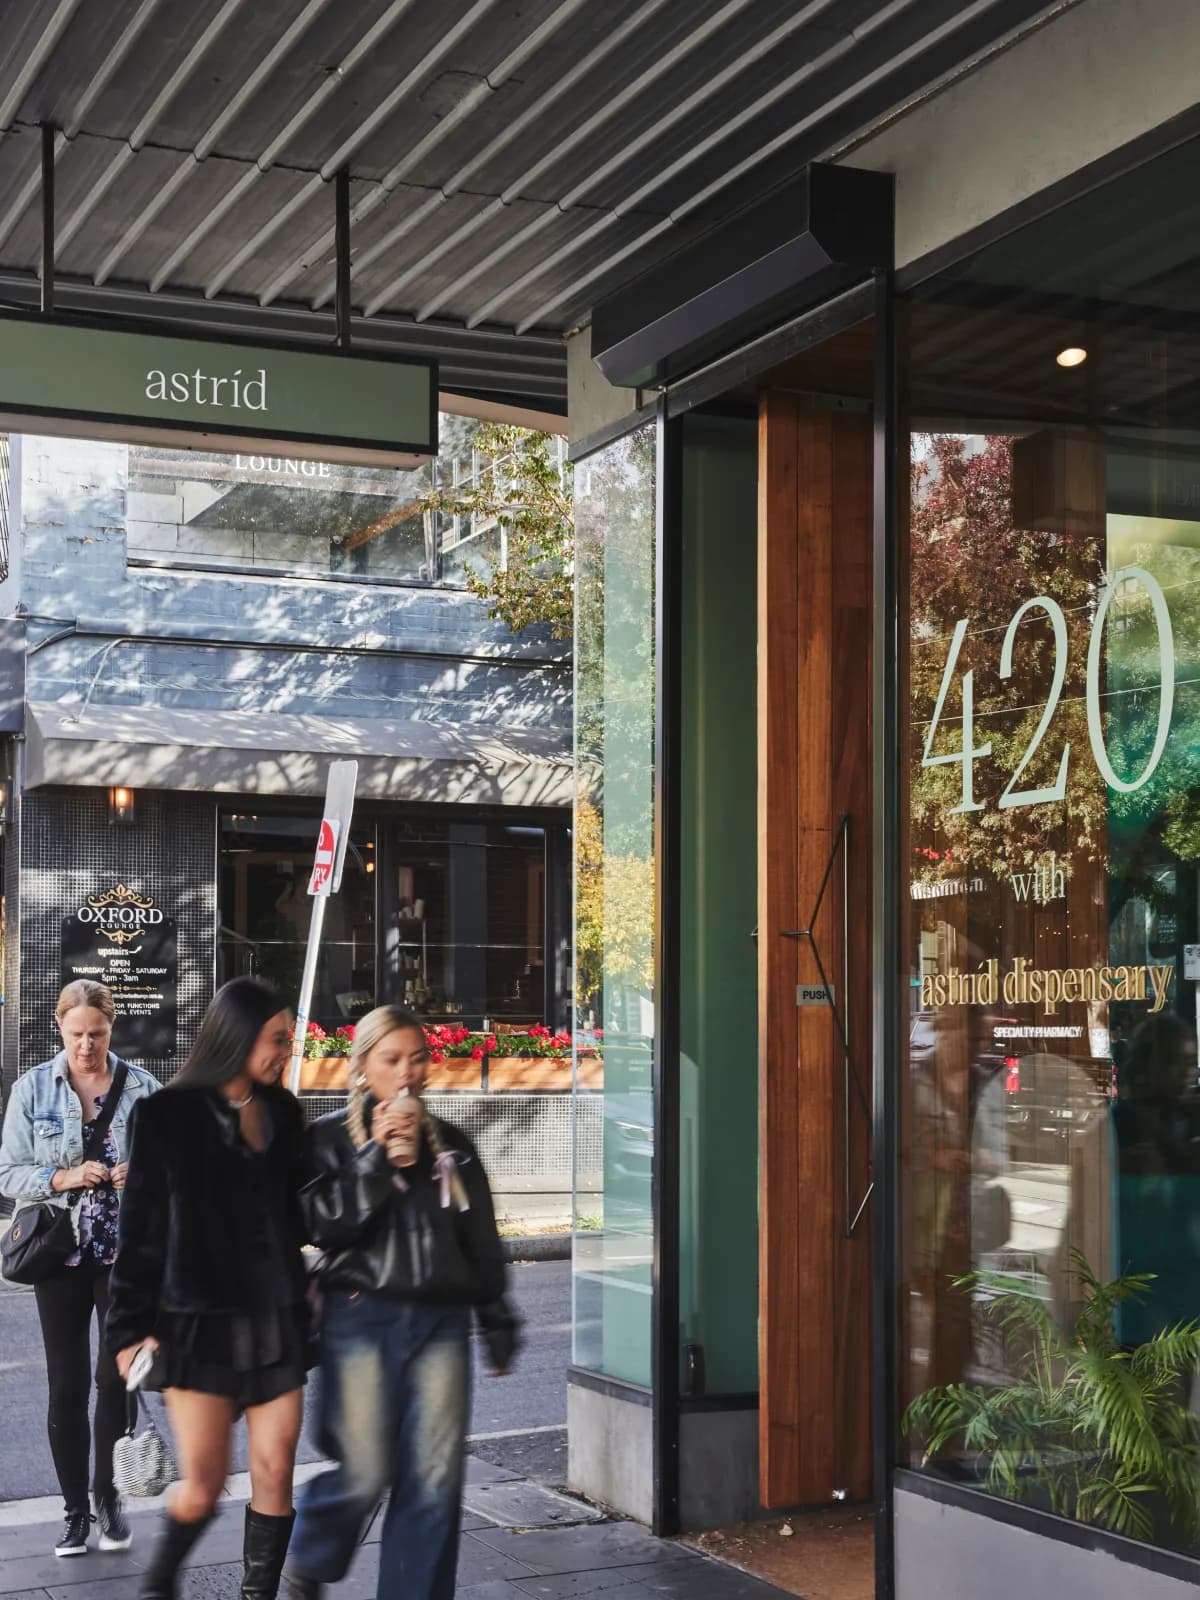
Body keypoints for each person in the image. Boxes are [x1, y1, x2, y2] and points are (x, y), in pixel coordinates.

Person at [284, 1004, 520, 1600]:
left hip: (441, 1323)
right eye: (392, 1060)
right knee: (364, 1470)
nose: (407, 1073)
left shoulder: (455, 1146)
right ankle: (309, 1558)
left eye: (418, 1058)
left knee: (434, 1479)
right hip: (360, 1317)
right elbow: (318, 1227)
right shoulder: (328, 1138)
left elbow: (480, 1242)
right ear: (364, 1067)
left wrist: (494, 1317)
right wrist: (376, 1160)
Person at [107, 978, 308, 1600]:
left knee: (276, 1469)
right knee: (205, 1483)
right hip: (196, 1324)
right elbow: (138, 1231)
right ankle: (159, 1587)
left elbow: (301, 1217)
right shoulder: (164, 1115)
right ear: (239, 1037)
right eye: (278, 1039)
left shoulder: (284, 1112)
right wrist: (125, 1329)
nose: (287, 1051)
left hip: (276, 1317)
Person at [0, 979, 158, 1558]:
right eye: (76, 1035)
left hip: (123, 1256)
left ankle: (109, 1497)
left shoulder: (143, 1089)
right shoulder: (33, 1088)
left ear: (112, 1028)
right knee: (66, 1386)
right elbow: (6, 1173)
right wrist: (64, 1177)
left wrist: (134, 1174)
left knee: (113, 1381)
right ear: (58, 1027)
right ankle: (74, 1514)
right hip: (59, 1256)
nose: (86, 1046)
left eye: (97, 1033)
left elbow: (172, 1174)